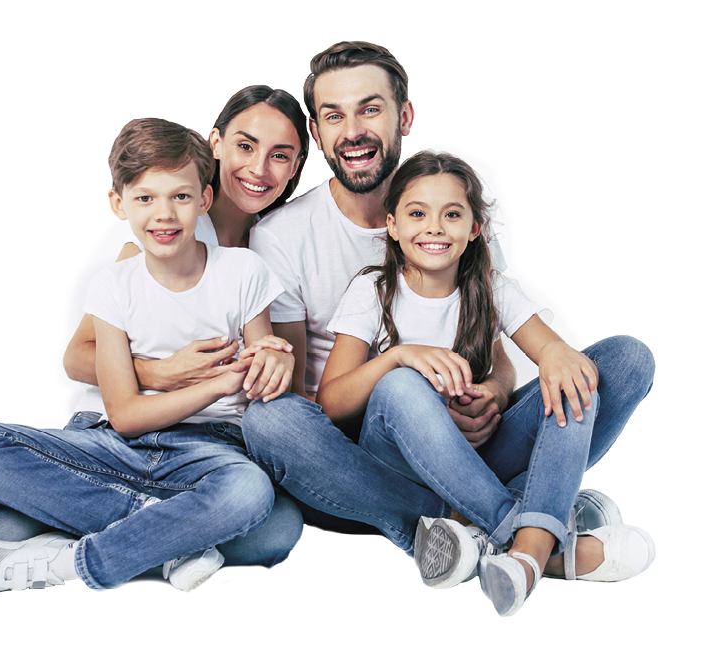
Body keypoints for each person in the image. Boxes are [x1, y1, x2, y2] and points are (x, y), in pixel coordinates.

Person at [0, 117, 300, 595]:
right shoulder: (119, 276)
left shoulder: (245, 266)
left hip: (205, 452)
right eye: (146, 198)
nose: (165, 213)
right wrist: (205, 381)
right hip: (108, 443)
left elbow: (260, 368)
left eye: (180, 196)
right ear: (119, 203)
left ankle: (75, 554)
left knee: (269, 521)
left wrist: (274, 363)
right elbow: (121, 409)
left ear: (203, 198)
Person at [241, 40, 654, 589]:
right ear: (316, 132)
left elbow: (497, 334)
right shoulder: (284, 237)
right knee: (272, 419)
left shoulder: (452, 196)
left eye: (370, 108)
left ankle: (469, 526)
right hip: (364, 460)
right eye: (335, 115)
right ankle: (526, 531)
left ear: (403, 115)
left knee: (623, 361)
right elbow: (304, 397)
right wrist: (402, 372)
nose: (354, 129)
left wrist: (499, 391)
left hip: (473, 441)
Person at [318, 151, 655, 616]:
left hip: (479, 457)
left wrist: (509, 383)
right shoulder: (374, 291)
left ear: (474, 228)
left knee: (617, 362)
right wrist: (398, 357)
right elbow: (331, 403)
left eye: (452, 214)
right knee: (400, 386)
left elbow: (555, 357)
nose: (434, 228)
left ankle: (515, 548)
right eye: (417, 214)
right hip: (401, 462)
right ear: (392, 225)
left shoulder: (491, 288)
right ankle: (538, 541)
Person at [62, 84, 309, 394]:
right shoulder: (162, 232)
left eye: (280, 155)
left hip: (218, 426)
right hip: (122, 420)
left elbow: (284, 368)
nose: (259, 169)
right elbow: (76, 357)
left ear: (295, 165)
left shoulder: (275, 245)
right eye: (245, 146)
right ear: (216, 143)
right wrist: (157, 372)